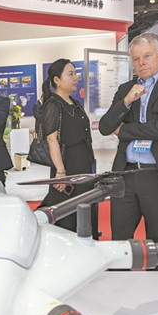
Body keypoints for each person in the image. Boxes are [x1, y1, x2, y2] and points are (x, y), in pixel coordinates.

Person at [99, 33, 158, 243]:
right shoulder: (126, 89)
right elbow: (105, 127)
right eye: (136, 58)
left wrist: (124, 130)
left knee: (157, 238)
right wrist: (126, 101)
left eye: (147, 56)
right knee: (120, 239)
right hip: (126, 173)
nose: (141, 63)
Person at [36, 59, 95, 231]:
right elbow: (51, 139)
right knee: (69, 212)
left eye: (75, 73)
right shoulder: (53, 104)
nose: (76, 77)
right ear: (57, 80)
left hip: (83, 163)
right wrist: (61, 172)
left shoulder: (74, 103)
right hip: (67, 165)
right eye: (70, 74)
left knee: (85, 208)